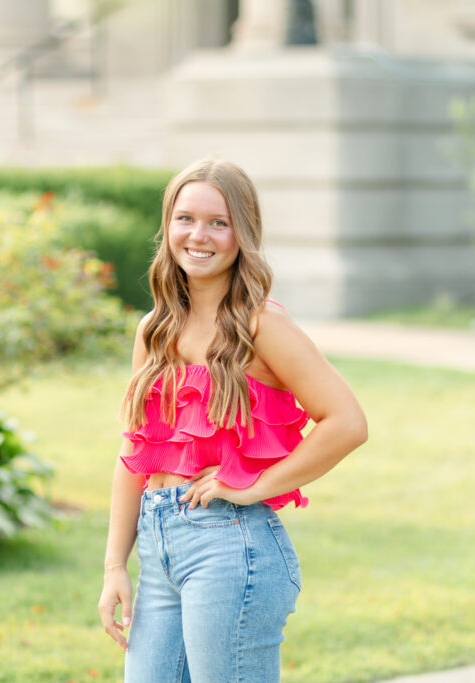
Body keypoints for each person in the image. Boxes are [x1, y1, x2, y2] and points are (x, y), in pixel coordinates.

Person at [97, 158, 368, 682]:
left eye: (218, 222)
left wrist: (252, 486)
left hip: (231, 549)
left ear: (242, 234)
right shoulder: (153, 329)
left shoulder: (261, 324)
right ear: (168, 226)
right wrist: (115, 565)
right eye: (185, 219)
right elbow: (136, 451)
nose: (199, 236)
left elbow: (347, 422)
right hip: (159, 552)